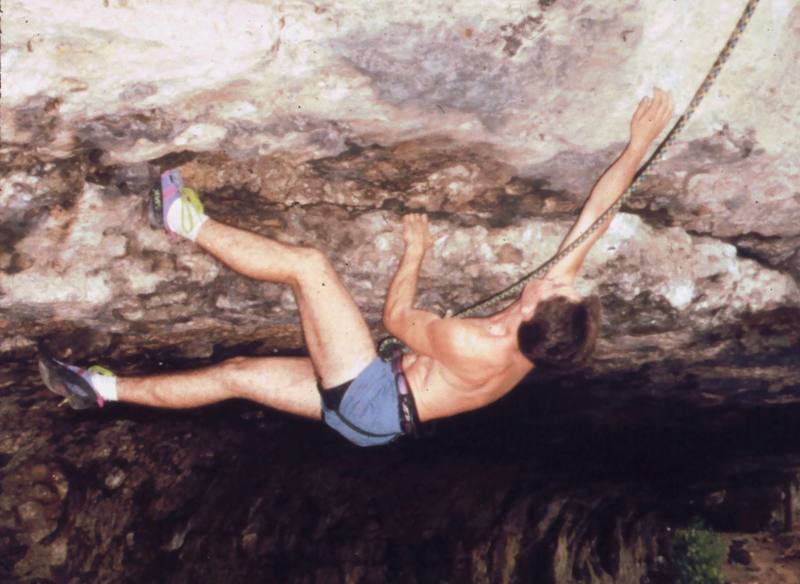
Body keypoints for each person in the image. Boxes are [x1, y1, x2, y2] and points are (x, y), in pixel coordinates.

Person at [39, 89, 675, 447]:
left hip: (372, 395)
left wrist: (415, 256)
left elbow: (396, 316)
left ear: (531, 312)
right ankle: (101, 390)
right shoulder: (541, 335)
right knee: (235, 375)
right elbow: (599, 210)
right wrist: (639, 144)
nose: (559, 276)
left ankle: (179, 220)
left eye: (556, 287)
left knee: (309, 267)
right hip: (377, 422)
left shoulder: (473, 341)